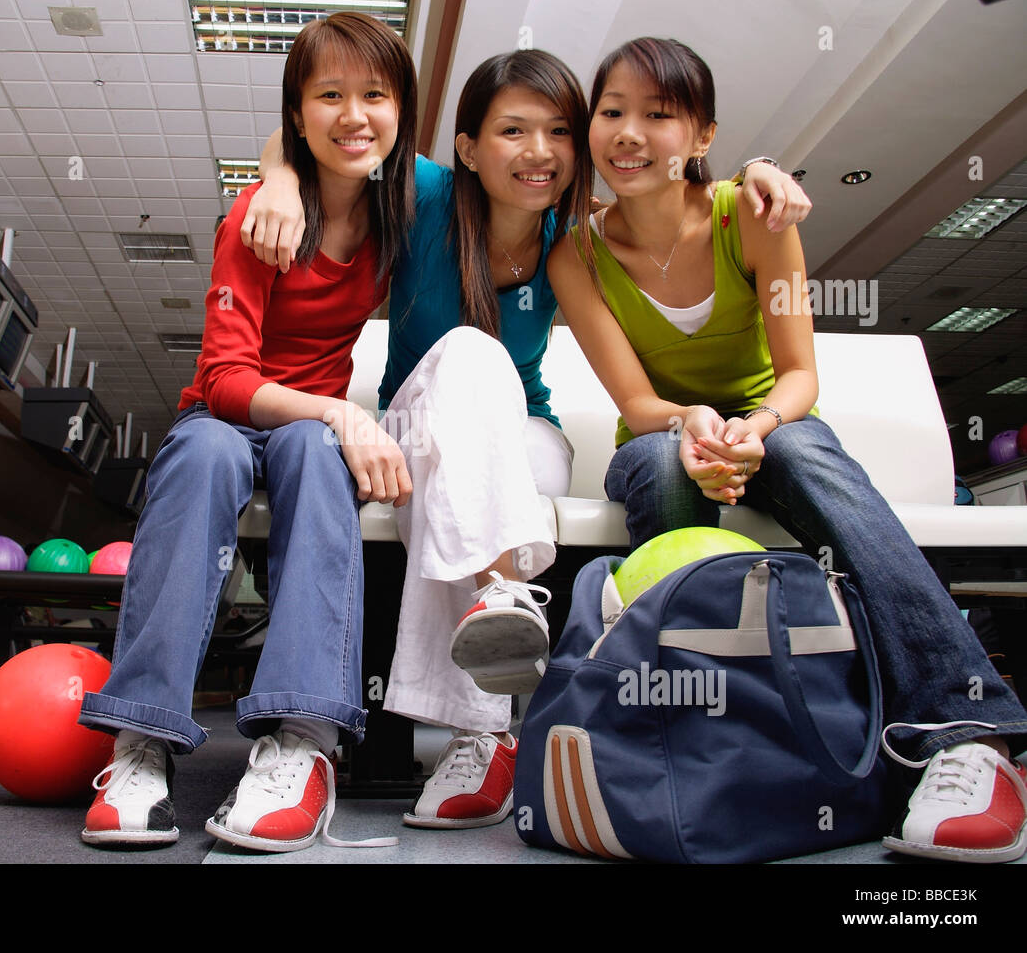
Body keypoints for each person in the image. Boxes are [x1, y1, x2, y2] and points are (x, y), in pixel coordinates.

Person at [247, 49, 810, 830]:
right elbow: (333, 138)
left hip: (523, 440)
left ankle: (486, 682)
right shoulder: (425, 194)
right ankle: (487, 706)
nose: (538, 151)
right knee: (471, 356)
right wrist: (276, 174)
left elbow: (695, 183)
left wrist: (757, 164)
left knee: (472, 481)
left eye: (556, 132)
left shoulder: (572, 246)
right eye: (512, 131)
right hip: (412, 426)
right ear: (470, 148)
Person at [547, 35, 1027, 863]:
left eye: (657, 115)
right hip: (663, 434)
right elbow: (635, 400)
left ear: (702, 136)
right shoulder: (577, 253)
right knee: (664, 464)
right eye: (611, 112)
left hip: (775, 422)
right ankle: (688, 736)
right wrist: (692, 423)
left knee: (804, 454)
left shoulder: (753, 214)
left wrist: (757, 429)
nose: (627, 133)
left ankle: (965, 733)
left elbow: (801, 373)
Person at [74, 11, 417, 853]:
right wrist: (276, 180)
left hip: (301, 434)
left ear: (401, 110)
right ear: (297, 114)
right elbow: (227, 381)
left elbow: (524, 180)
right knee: (205, 453)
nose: (354, 114)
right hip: (228, 416)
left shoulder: (400, 217)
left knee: (314, 453)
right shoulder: (254, 223)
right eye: (328, 95)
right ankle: (142, 743)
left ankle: (304, 743)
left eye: (375, 94)